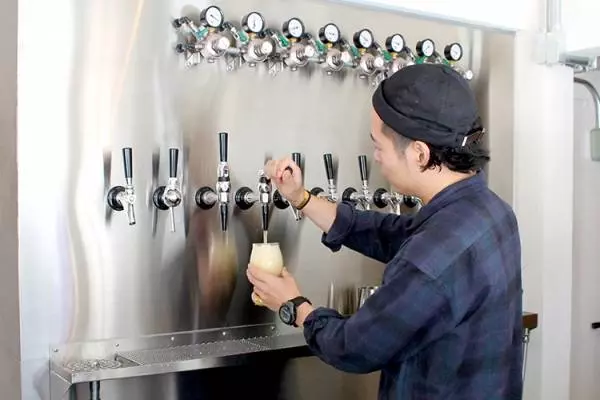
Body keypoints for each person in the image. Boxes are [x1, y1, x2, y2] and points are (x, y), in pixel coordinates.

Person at [246, 63, 523, 399]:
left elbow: (354, 346)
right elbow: (390, 233)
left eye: (378, 146)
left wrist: (293, 306)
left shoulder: (433, 260)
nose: (375, 157)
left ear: (419, 153)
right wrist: (301, 198)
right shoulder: (490, 211)